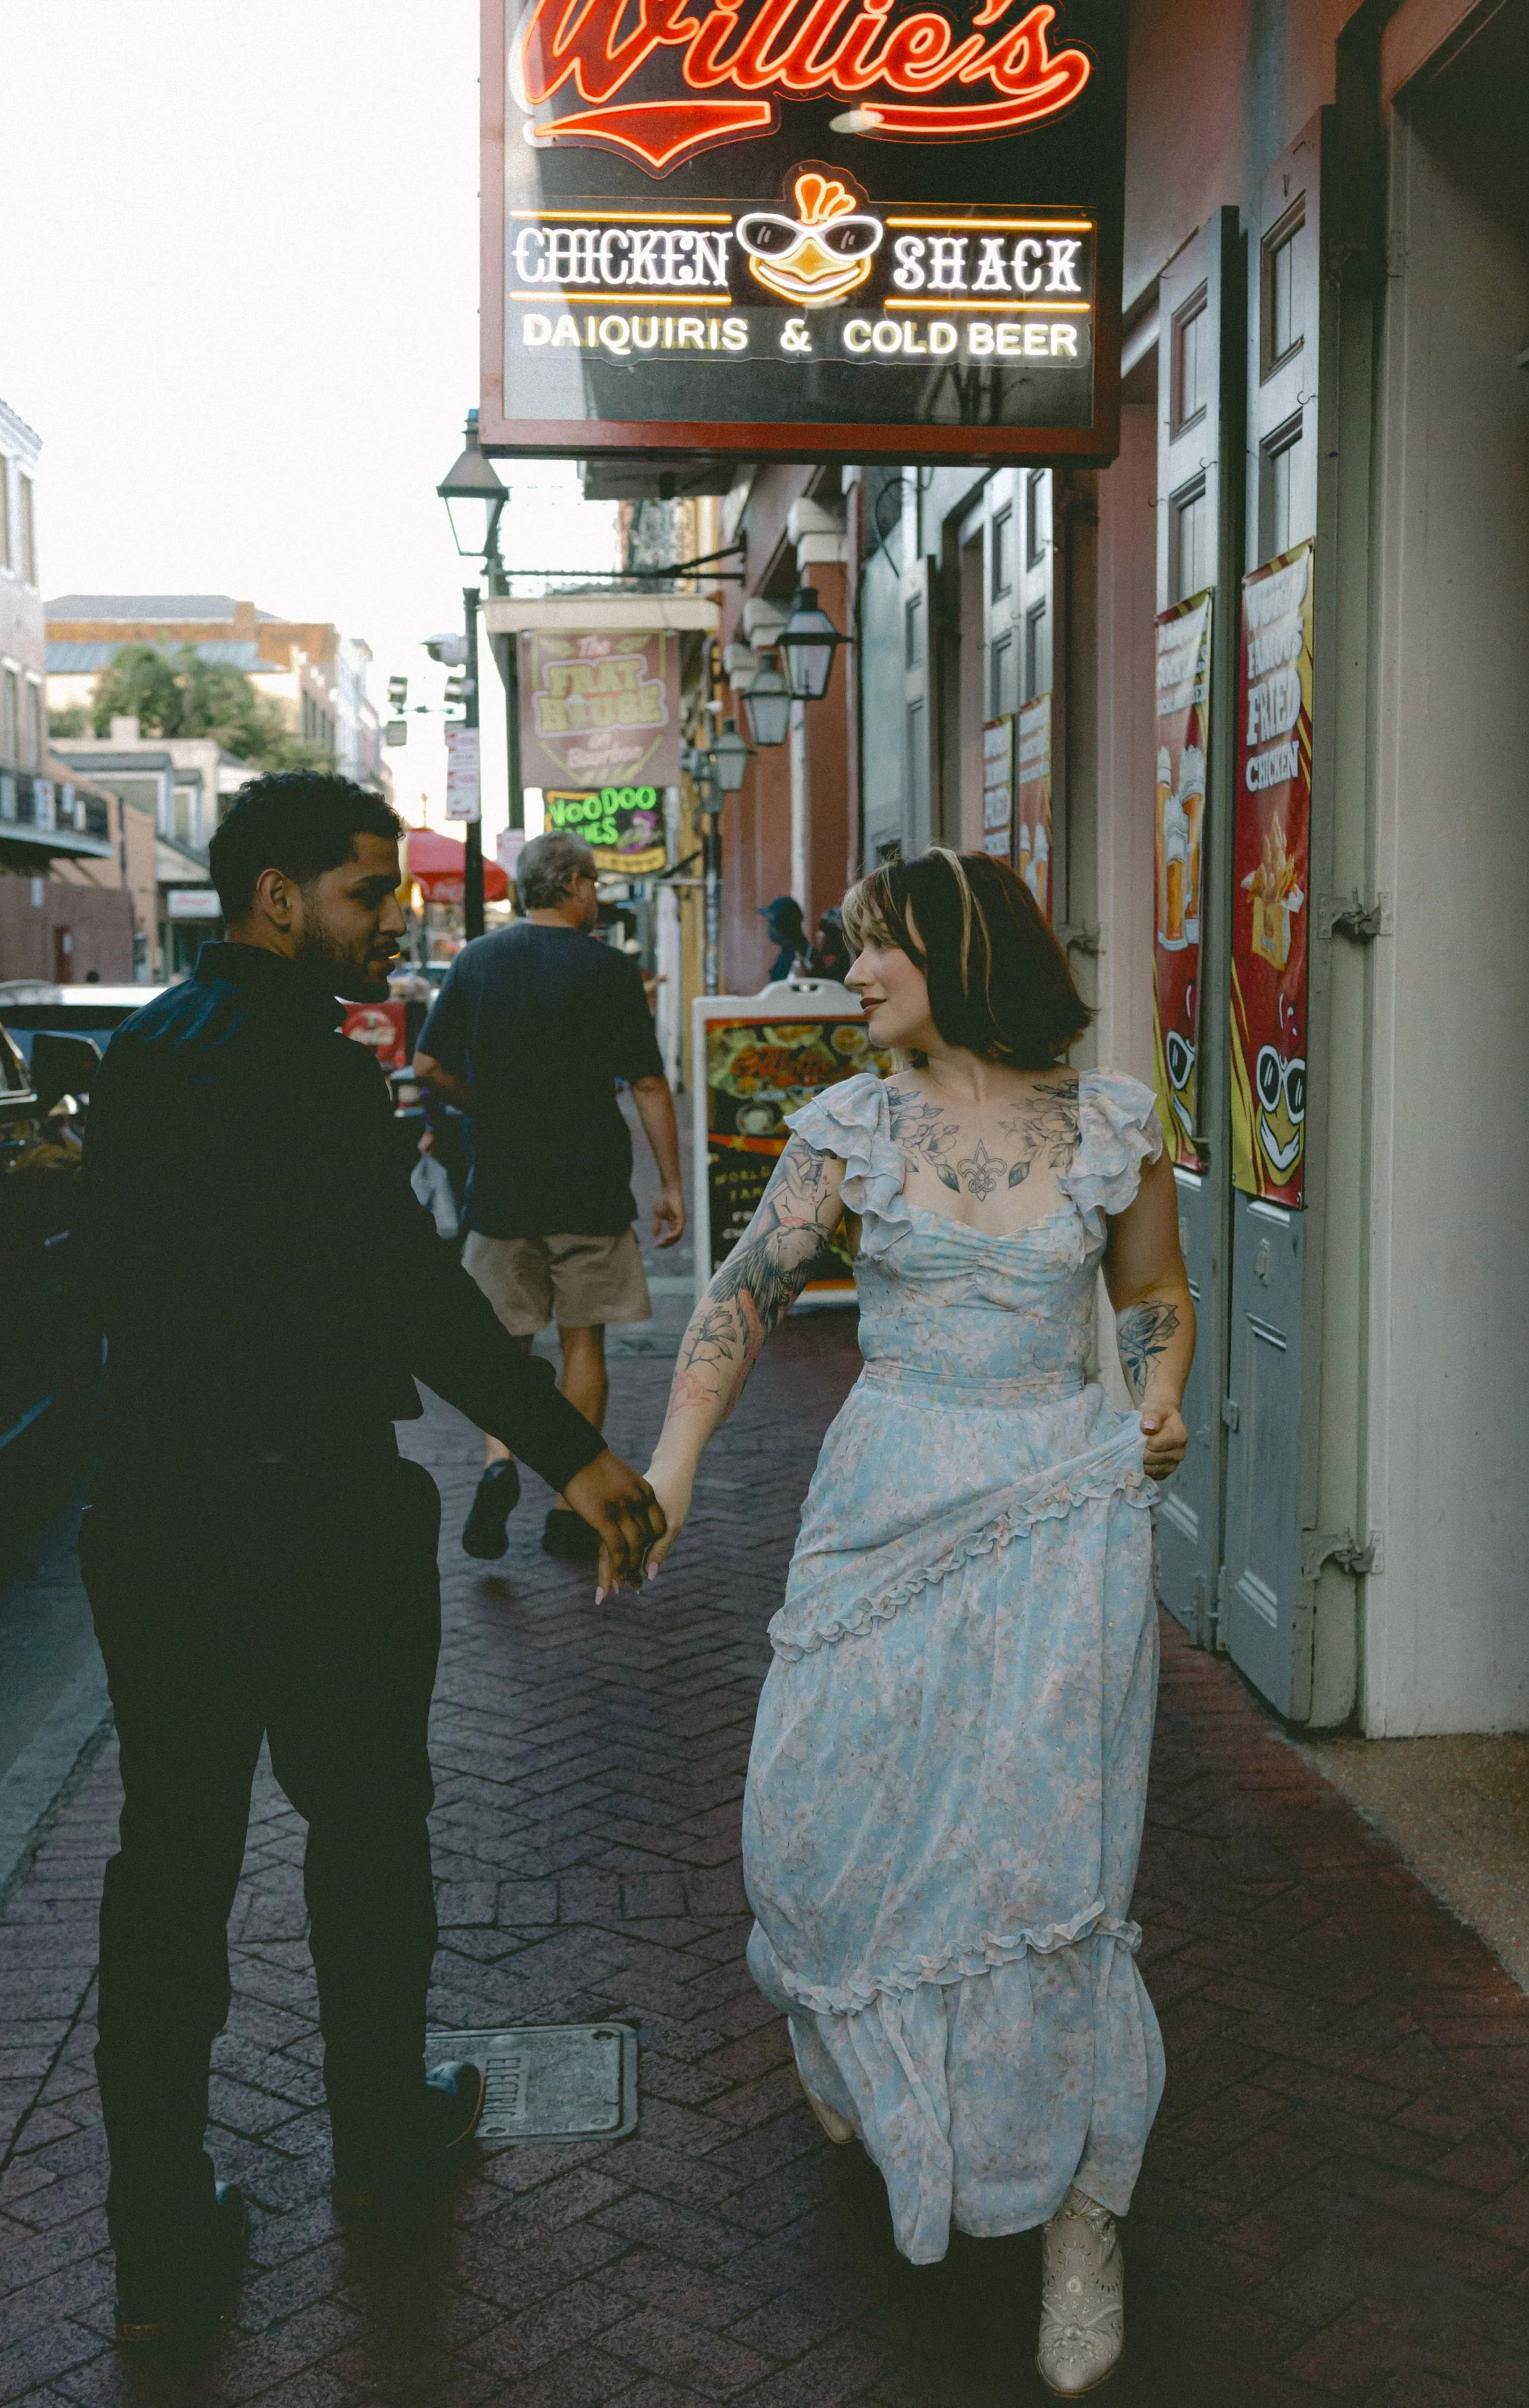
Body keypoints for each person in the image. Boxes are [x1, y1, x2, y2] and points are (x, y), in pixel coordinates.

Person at [77, 774, 662, 2352]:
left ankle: (157, 2226)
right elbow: (411, 1297)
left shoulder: (138, 1052)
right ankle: (381, 2137)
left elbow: (113, 1282)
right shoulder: (315, 1075)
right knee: (369, 1830)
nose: (389, 916)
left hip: (156, 1514)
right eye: (362, 891)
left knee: (172, 1863)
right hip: (315, 1513)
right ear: (278, 898)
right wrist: (577, 1449)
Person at [641, 848, 1193, 2399]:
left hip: (1058, 1517)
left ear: (959, 953)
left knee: (1043, 1857)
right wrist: (672, 1466)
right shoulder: (848, 1129)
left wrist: (1156, 1389)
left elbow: (1157, 1292)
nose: (852, 972)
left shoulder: (1110, 1124)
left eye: (877, 948)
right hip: (885, 1499)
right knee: (820, 1817)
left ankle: (1082, 2217)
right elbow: (744, 1293)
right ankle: (864, 2050)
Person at [414, 829, 686, 1565]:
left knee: (501, 1344)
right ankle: (570, 1502)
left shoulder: (475, 960)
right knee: (581, 1340)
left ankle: (498, 1462)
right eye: (593, 883)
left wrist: (484, 1106)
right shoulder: (607, 970)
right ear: (570, 885)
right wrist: (669, 1181)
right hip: (590, 1186)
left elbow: (428, 1064)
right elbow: (650, 1083)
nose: (595, 895)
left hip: (501, 1184)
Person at [759, 893, 808, 981]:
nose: (769, 928)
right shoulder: (791, 952)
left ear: (782, 927)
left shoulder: (798, 958)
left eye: (771, 923)